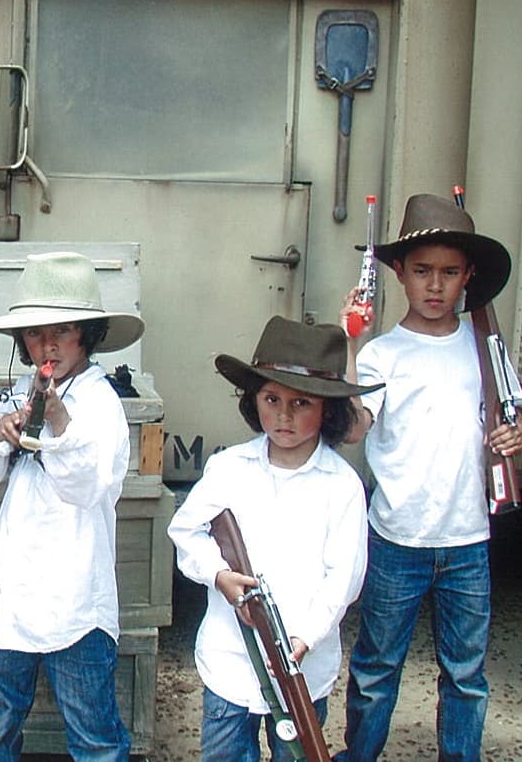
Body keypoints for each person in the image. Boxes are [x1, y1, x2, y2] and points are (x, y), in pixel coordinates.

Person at [335, 193, 522, 762]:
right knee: (376, 670)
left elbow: (514, 421)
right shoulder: (382, 354)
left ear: (469, 276)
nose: (436, 285)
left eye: (449, 272)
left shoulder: (485, 347)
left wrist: (517, 437)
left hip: (468, 541)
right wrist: (351, 342)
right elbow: (352, 429)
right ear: (399, 273)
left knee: (466, 676)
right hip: (396, 538)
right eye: (422, 271)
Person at [0, 251, 145, 762]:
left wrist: (57, 424)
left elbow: (87, 486)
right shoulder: (19, 392)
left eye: (62, 331)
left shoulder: (101, 403)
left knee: (95, 741)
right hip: (13, 600)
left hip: (75, 605)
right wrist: (2, 434)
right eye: (36, 334)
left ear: (86, 335)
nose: (48, 345)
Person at [167, 315, 378, 762]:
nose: (283, 415)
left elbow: (344, 578)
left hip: (303, 665)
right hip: (230, 659)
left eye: (301, 402)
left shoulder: (342, 484)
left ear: (329, 409)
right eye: (271, 398)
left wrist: (304, 637)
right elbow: (185, 530)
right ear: (253, 399)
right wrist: (219, 573)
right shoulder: (229, 468)